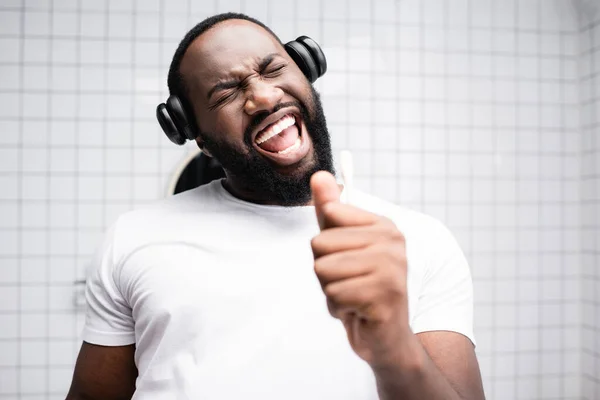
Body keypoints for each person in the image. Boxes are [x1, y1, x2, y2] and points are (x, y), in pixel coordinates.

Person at [66, 12, 485, 400]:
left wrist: (392, 342)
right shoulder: (134, 237)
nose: (263, 98)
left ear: (307, 69)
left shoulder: (420, 240)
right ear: (197, 135)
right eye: (226, 92)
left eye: (272, 69)